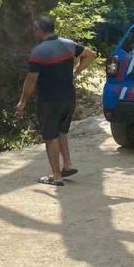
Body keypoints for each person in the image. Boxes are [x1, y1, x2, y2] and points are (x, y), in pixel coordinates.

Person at [16, 15, 96, 187]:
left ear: (39, 30)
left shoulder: (39, 51)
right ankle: (67, 165)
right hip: (68, 97)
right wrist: (76, 71)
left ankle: (56, 176)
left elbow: (31, 80)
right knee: (62, 132)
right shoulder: (69, 44)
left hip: (49, 100)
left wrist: (22, 101)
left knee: (50, 137)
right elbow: (90, 55)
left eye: (34, 29)